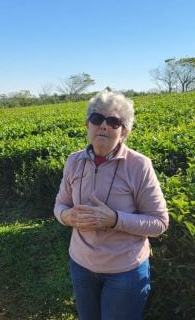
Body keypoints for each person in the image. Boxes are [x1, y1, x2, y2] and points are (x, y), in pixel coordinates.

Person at [54, 90, 169, 320]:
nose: (103, 126)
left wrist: (114, 219)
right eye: (97, 119)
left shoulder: (139, 165)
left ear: (124, 131)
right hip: (81, 264)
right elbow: (60, 205)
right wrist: (67, 217)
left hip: (124, 272)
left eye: (113, 121)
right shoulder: (73, 161)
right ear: (87, 125)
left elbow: (159, 223)